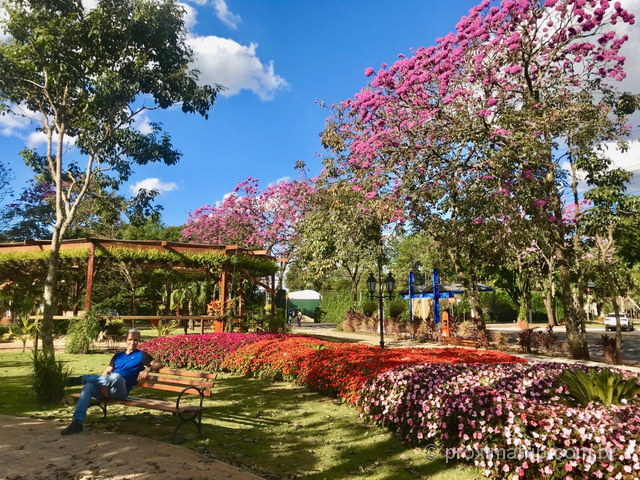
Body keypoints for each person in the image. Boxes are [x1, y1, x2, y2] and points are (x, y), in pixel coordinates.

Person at [61, 328, 160, 435]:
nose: (133, 342)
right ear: (125, 340)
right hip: (107, 389)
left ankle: (80, 379)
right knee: (88, 387)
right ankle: (77, 423)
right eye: (130, 339)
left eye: (136, 340)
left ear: (138, 341)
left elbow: (159, 363)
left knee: (116, 377)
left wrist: (148, 368)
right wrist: (104, 385)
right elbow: (107, 371)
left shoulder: (141, 355)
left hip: (121, 391)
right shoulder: (118, 356)